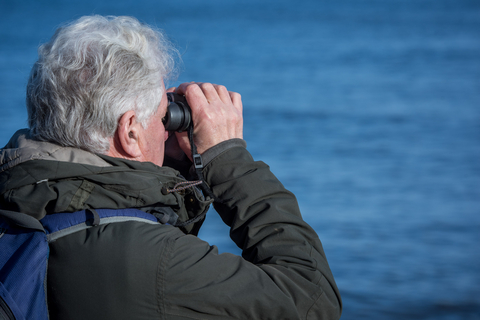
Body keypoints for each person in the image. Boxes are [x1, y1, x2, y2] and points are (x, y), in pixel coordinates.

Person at [0, 15, 342, 319]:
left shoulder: (16, 199)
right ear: (130, 131)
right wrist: (226, 158)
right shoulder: (155, 262)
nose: (169, 128)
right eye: (164, 114)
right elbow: (312, 300)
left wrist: (175, 173)